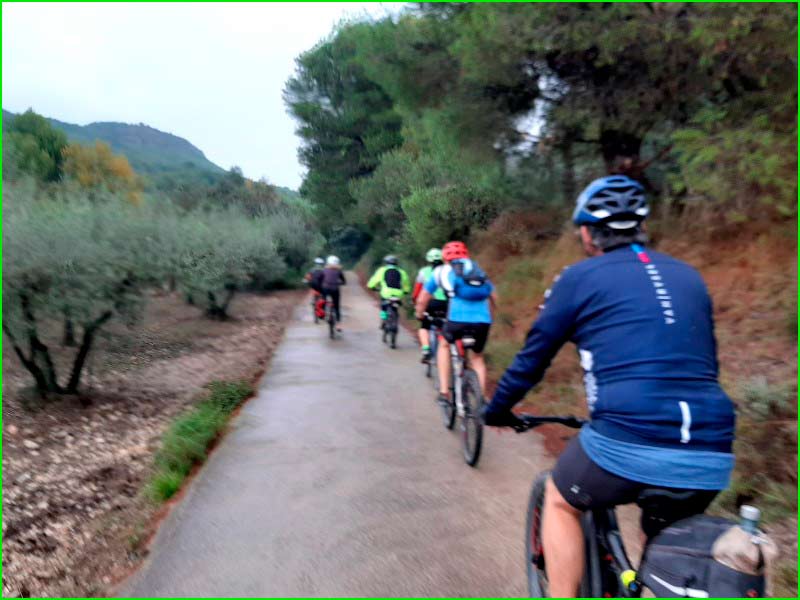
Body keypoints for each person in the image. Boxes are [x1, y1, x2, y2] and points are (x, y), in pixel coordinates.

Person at [481, 175, 736, 597]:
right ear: (642, 227)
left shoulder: (578, 278)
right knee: (664, 547)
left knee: (560, 499)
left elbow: (533, 358)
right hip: (711, 445)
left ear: (586, 232)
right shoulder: (690, 276)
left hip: (627, 439)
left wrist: (497, 409)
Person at [415, 241, 497, 403]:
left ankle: (444, 392)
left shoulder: (440, 271)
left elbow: (423, 298)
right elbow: (494, 297)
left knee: (444, 344)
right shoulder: (476, 268)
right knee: (477, 359)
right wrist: (490, 317)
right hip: (482, 321)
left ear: (445, 257)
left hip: (457, 320)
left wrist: (419, 314)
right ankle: (480, 400)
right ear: (466, 254)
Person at [412, 248, 447, 363]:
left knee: (424, 326)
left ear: (429, 260)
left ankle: (426, 349)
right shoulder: (449, 270)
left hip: (431, 303)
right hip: (448, 303)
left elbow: (418, 291)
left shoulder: (424, 272)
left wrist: (415, 301)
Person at [367, 255, 411, 328]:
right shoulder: (402, 272)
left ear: (386, 263)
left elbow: (374, 280)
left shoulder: (382, 270)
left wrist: (371, 287)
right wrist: (406, 291)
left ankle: (383, 319)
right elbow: (406, 283)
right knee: (397, 306)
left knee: (383, 307)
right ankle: (395, 319)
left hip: (386, 293)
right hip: (398, 294)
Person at [313, 255, 346, 329]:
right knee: (337, 306)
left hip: (325, 289)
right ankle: (338, 324)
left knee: (323, 301)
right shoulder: (339, 271)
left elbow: (319, 279)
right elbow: (344, 281)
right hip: (335, 289)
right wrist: (340, 283)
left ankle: (323, 314)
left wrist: (320, 286)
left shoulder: (324, 270)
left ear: (328, 262)